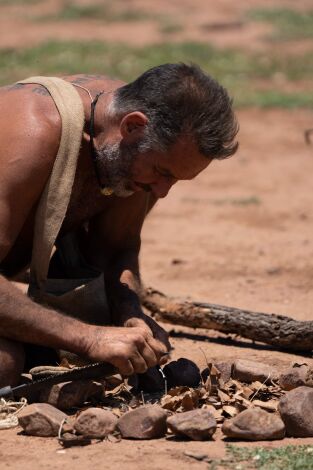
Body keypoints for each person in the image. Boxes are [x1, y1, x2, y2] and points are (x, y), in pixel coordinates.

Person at [0, 63, 238, 387]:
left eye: (175, 181)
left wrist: (129, 314)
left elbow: (115, 250)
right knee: (5, 364)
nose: (162, 192)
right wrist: (89, 338)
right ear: (132, 126)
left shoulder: (124, 141)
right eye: (162, 172)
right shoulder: (32, 133)